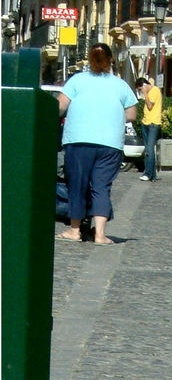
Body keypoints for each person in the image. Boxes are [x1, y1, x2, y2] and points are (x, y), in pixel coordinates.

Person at [56, 43, 138, 245]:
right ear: (110, 60)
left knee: (77, 184)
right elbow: (132, 114)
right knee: (101, 187)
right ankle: (100, 235)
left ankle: (75, 230)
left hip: (79, 140)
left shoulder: (77, 80)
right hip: (110, 143)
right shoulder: (120, 85)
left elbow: (60, 106)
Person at [135, 76, 162, 182]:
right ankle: (152, 175)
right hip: (145, 122)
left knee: (150, 149)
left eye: (140, 89)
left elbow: (150, 106)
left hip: (153, 123)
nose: (141, 92)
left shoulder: (155, 90)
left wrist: (145, 93)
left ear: (144, 86)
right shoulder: (148, 92)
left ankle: (148, 173)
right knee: (148, 150)